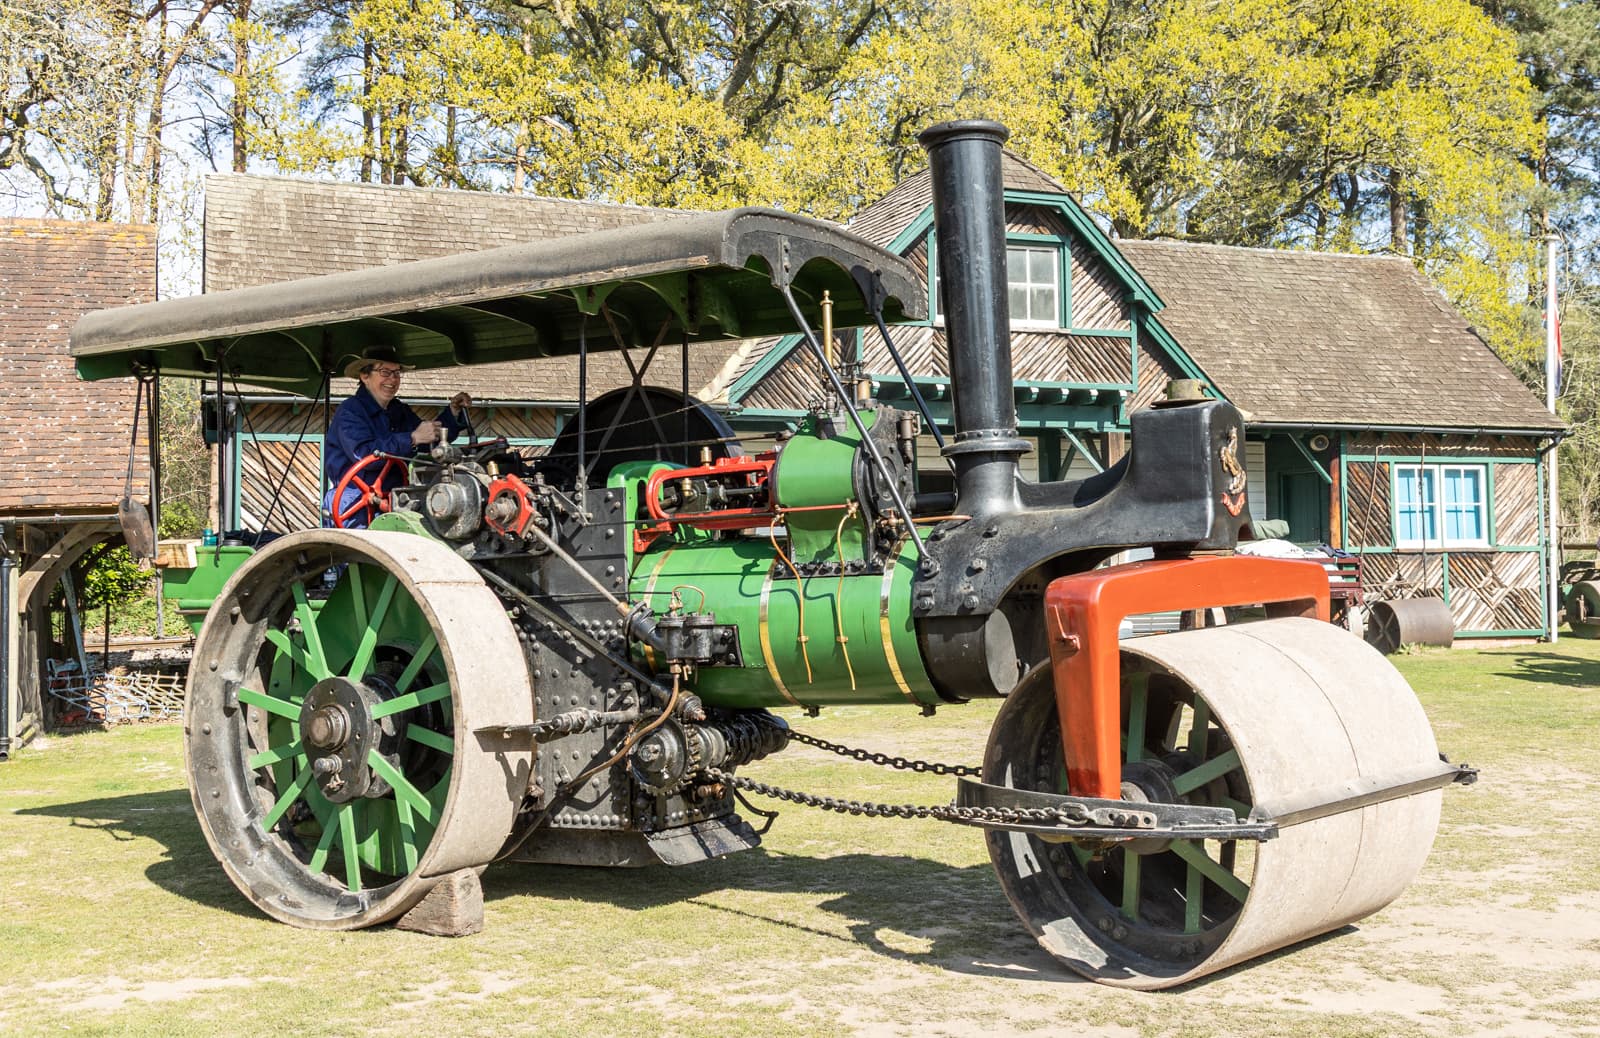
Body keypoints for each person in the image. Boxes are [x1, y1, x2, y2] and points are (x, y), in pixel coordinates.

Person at [323, 345, 472, 527]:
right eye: (385, 372)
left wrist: (452, 412)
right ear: (365, 376)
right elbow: (366, 454)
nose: (392, 380)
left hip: (395, 501)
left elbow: (428, 441)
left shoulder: (398, 410)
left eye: (397, 373)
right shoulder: (350, 412)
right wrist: (412, 438)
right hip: (354, 506)